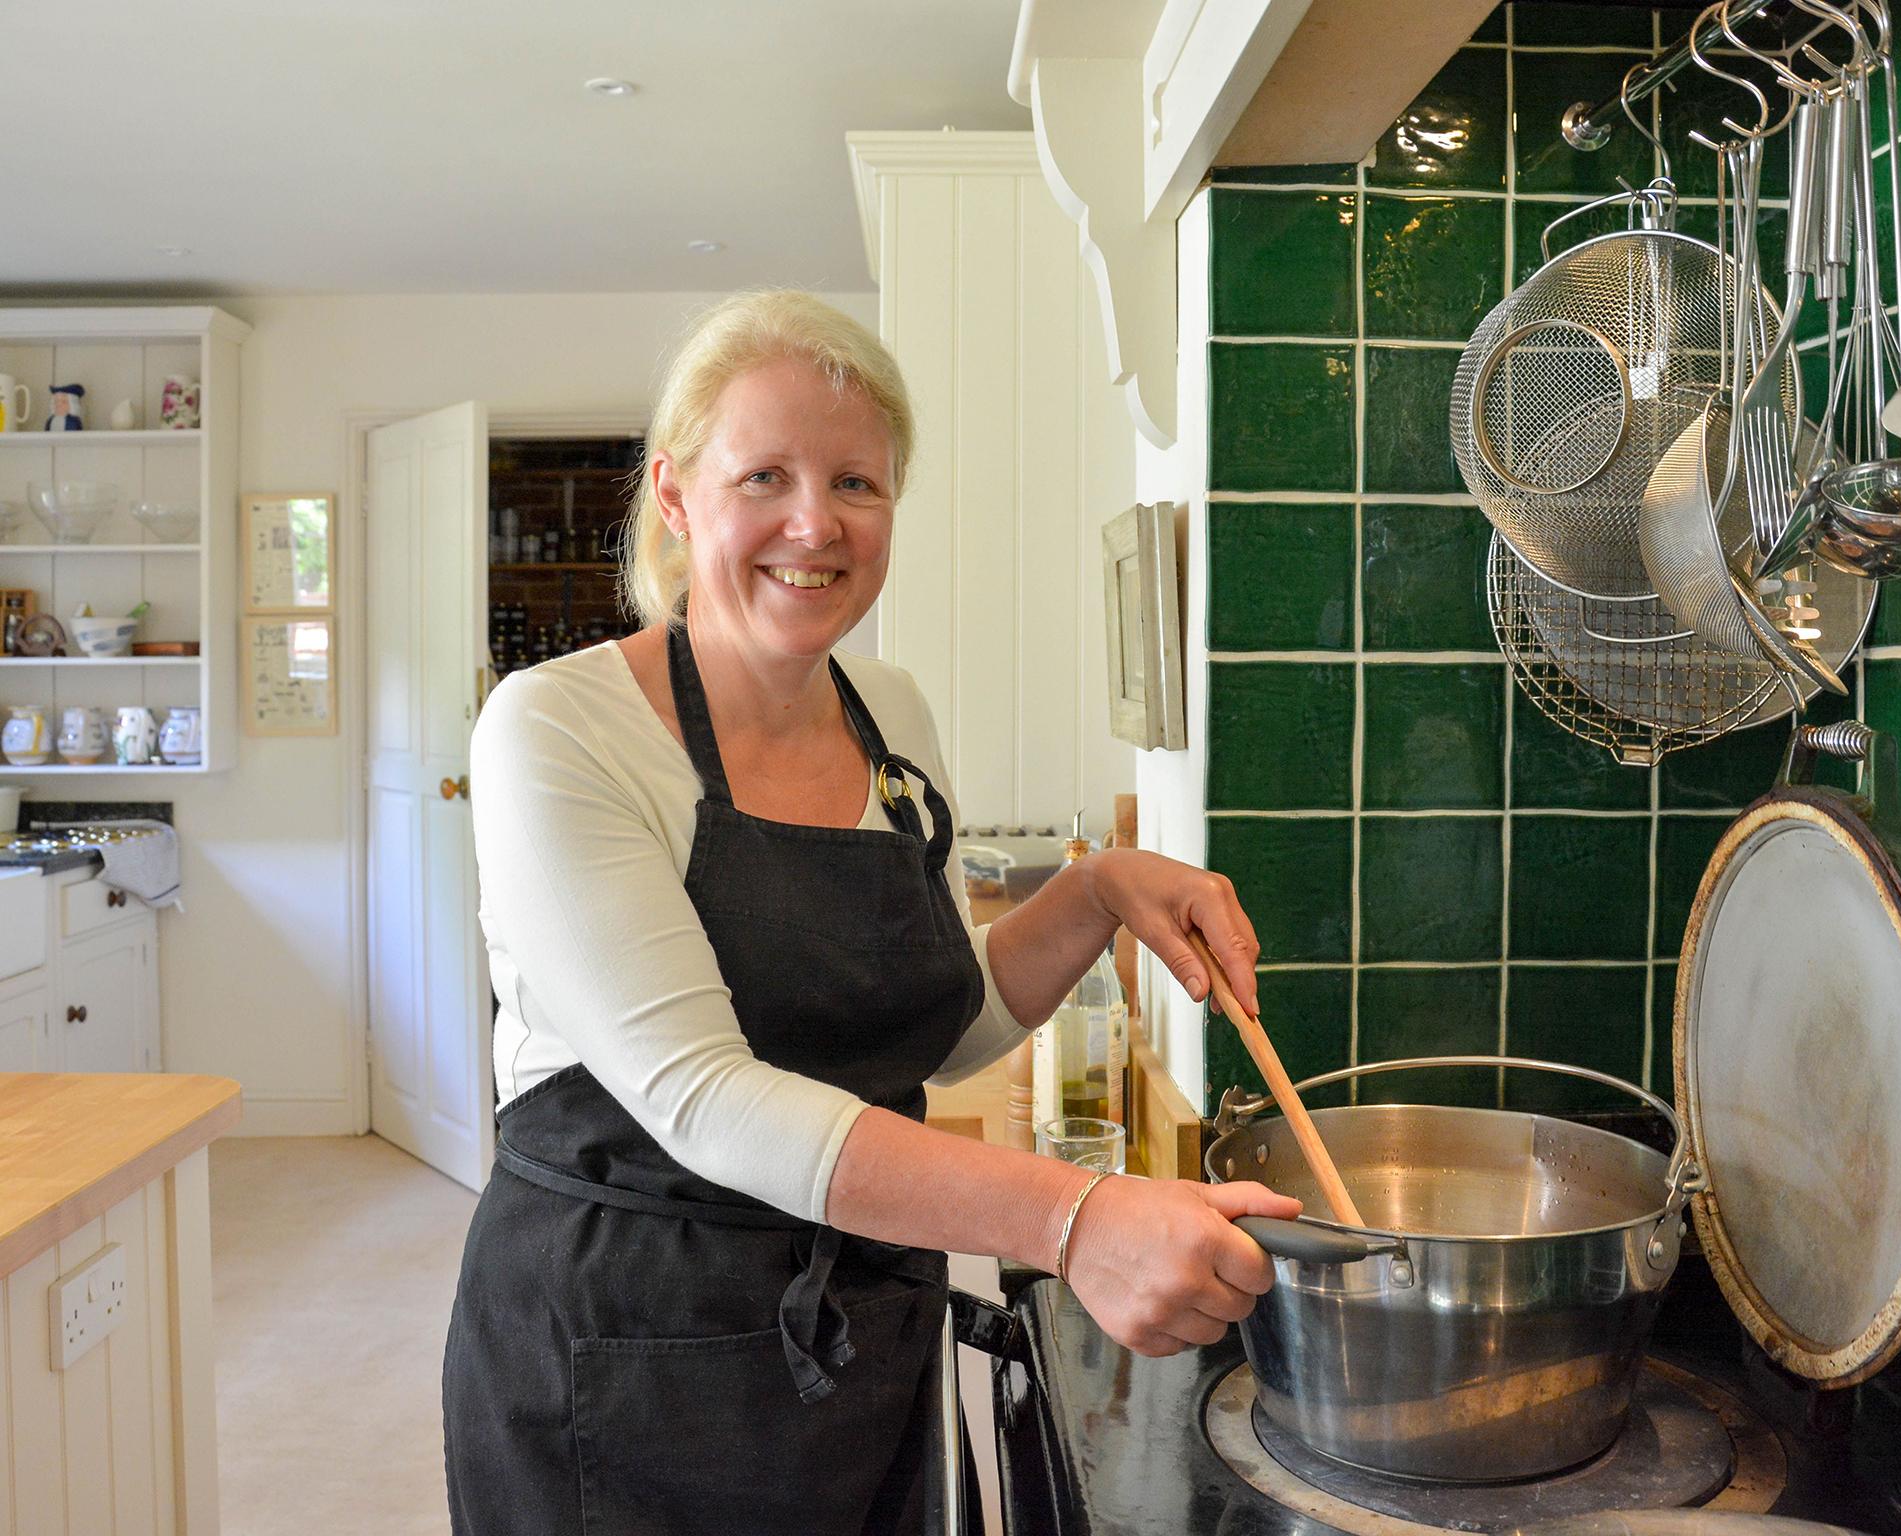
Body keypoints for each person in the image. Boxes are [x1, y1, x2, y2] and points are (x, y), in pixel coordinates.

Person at [442, 290, 1300, 1535]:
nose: (814, 523)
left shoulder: (885, 710)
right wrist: (1071, 1220)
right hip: (626, 1347)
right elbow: (702, 1095)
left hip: (854, 1335)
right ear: (677, 497)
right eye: (765, 477)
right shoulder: (558, 726)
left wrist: (1098, 889)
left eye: (856, 481)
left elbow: (935, 1029)